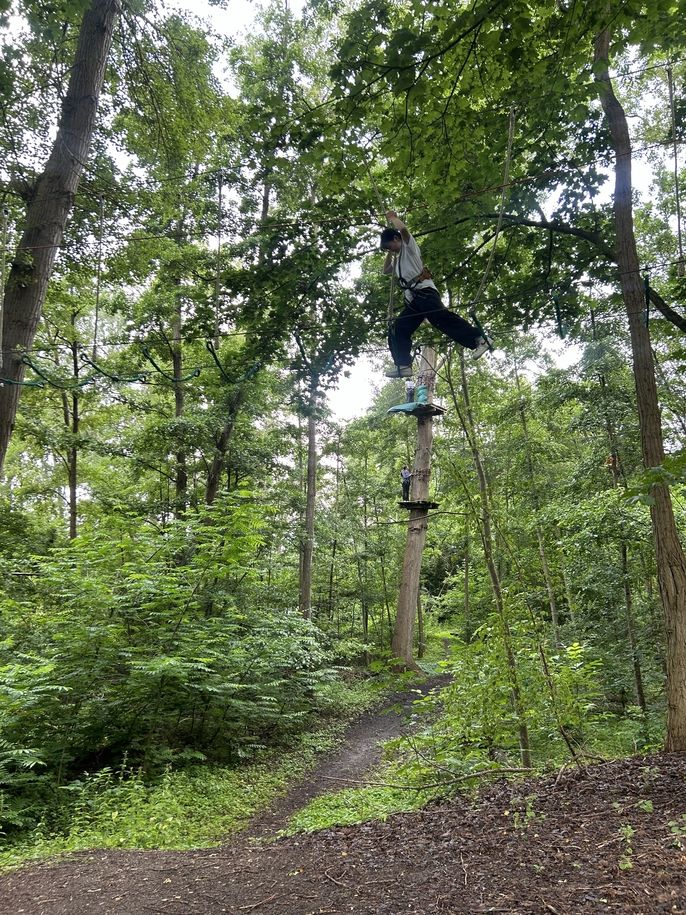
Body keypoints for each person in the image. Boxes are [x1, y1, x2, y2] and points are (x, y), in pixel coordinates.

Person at [380, 211, 490, 377]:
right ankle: (403, 364)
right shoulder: (398, 261)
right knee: (398, 329)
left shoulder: (409, 249)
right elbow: (385, 270)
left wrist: (393, 219)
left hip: (425, 293)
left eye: (390, 245)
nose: (391, 249)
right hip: (415, 301)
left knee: (440, 318)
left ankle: (479, 339)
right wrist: (389, 251)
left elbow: (403, 231)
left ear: (396, 239)